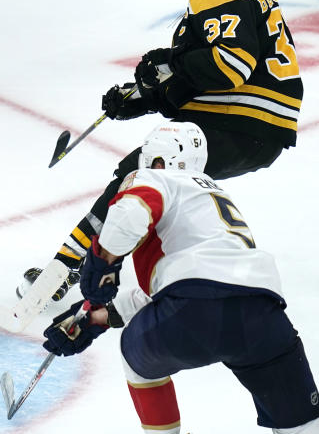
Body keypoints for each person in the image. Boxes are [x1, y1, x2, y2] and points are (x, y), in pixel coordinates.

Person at [18, 0, 303, 304]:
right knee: (157, 182)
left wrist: (170, 62)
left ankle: (69, 271)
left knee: (140, 172)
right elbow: (198, 80)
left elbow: (230, 67)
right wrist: (143, 97)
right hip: (247, 123)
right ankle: (133, 272)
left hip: (245, 123)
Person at [41, 121, 319, 434]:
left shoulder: (155, 178)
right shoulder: (211, 197)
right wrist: (98, 318)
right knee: (303, 425)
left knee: (136, 357)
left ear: (158, 161)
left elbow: (131, 216)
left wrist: (102, 265)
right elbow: (184, 287)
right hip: (264, 316)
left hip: (195, 312)